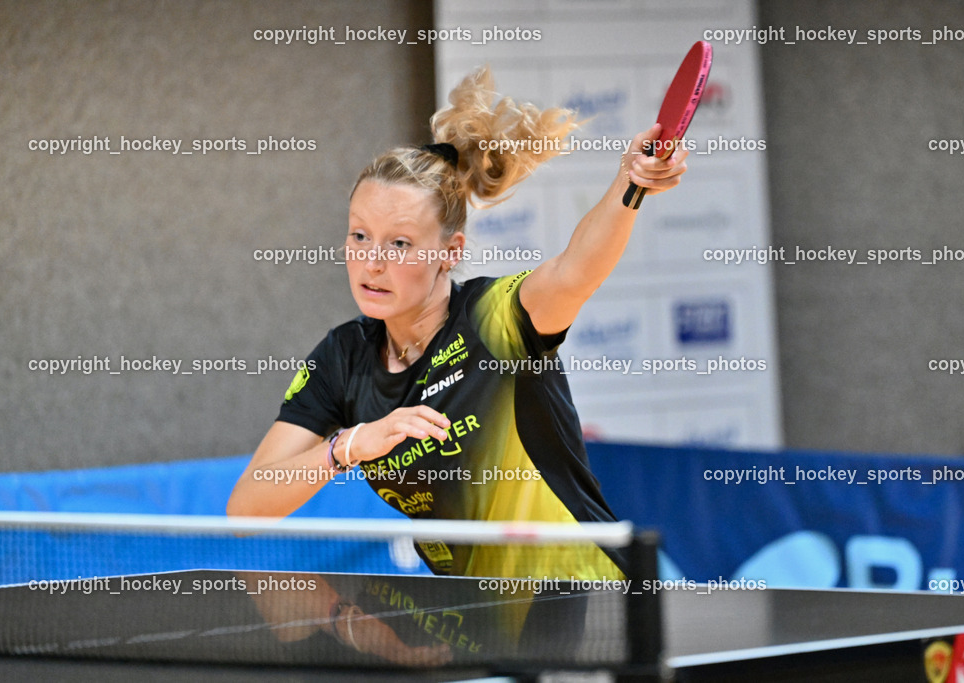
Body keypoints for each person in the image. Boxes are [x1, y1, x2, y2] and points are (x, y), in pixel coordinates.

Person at [227, 66, 687, 581]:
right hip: (472, 612)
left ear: (451, 251)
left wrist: (630, 183)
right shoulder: (343, 358)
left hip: (582, 595)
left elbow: (575, 270)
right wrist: (349, 446)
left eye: (400, 243)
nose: (372, 262)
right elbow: (246, 508)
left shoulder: (494, 319)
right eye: (359, 235)